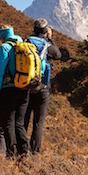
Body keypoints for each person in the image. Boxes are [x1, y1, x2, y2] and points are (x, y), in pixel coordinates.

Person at [23, 19, 62, 154]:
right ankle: (35, 152)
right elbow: (58, 55)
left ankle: (21, 150)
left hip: (26, 86)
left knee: (24, 119)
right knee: (38, 122)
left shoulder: (26, 42)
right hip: (43, 87)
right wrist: (50, 39)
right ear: (46, 32)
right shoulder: (47, 45)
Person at [0, 25, 30, 158]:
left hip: (8, 89)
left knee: (8, 121)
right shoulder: (23, 45)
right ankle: (24, 151)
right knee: (19, 122)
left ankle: (11, 152)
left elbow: (0, 71)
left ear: (2, 36)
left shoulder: (5, 47)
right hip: (24, 88)